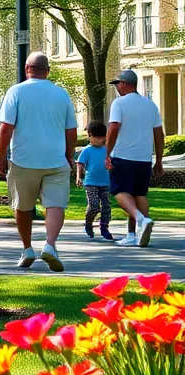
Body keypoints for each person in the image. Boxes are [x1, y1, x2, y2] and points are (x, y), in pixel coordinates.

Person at [0, 52, 77, 272]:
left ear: (26, 69)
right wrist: (69, 155)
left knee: (22, 206)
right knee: (55, 204)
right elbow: (71, 130)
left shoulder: (16, 91)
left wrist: (1, 156)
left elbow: (5, 128)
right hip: (55, 159)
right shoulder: (61, 94)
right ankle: (50, 245)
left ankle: (27, 249)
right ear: (47, 70)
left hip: (24, 160)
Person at [106, 69, 165, 247]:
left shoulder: (119, 103)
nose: (116, 87)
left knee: (120, 192)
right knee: (139, 194)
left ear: (123, 83)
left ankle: (141, 220)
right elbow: (159, 134)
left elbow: (114, 128)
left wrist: (107, 153)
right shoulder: (150, 105)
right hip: (144, 159)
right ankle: (133, 234)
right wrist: (159, 160)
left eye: (117, 84)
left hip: (123, 156)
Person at [76, 120, 113, 241]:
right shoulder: (87, 150)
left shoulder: (107, 150)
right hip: (91, 183)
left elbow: (111, 163)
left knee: (106, 206)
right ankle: (88, 222)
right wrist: (78, 177)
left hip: (105, 183)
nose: (91, 139)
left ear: (103, 137)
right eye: (90, 136)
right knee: (94, 206)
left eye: (94, 137)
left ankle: (104, 228)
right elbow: (80, 164)